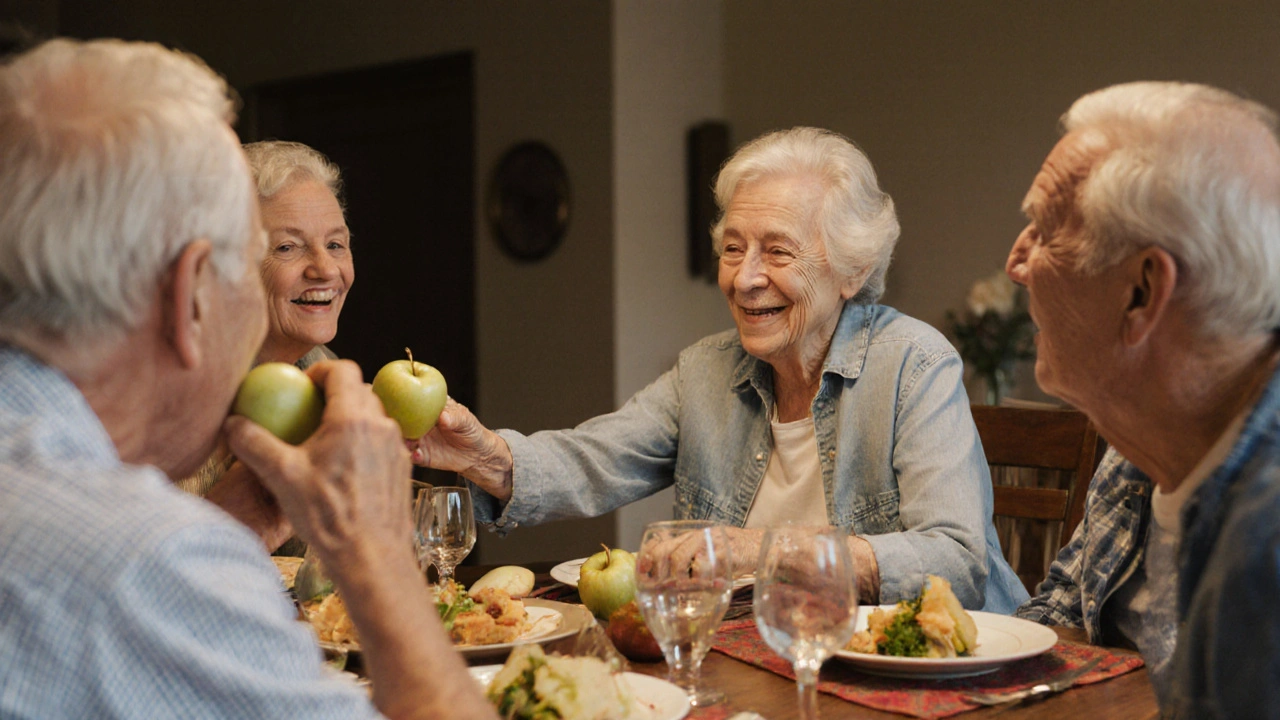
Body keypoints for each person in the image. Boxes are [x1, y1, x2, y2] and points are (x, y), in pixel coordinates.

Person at [0, 38, 494, 719]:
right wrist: (379, 554)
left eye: (337, 243)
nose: (322, 269)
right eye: (257, 254)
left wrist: (240, 522)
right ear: (190, 294)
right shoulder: (142, 560)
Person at [415, 127, 1026, 612]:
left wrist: (764, 552)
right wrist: (484, 456)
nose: (745, 277)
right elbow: (593, 460)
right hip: (765, 656)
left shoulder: (915, 365)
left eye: (778, 251)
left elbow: (956, 561)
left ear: (852, 270)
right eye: (733, 248)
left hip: (942, 671)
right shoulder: (706, 371)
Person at [1003, 81, 1280, 716]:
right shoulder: (1156, 443)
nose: (1016, 262)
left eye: (1045, 230)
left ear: (1142, 292)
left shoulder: (1265, 544)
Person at [180, 141, 354, 545]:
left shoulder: (324, 374)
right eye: (287, 247)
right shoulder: (171, 394)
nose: (326, 270)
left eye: (335, 244)